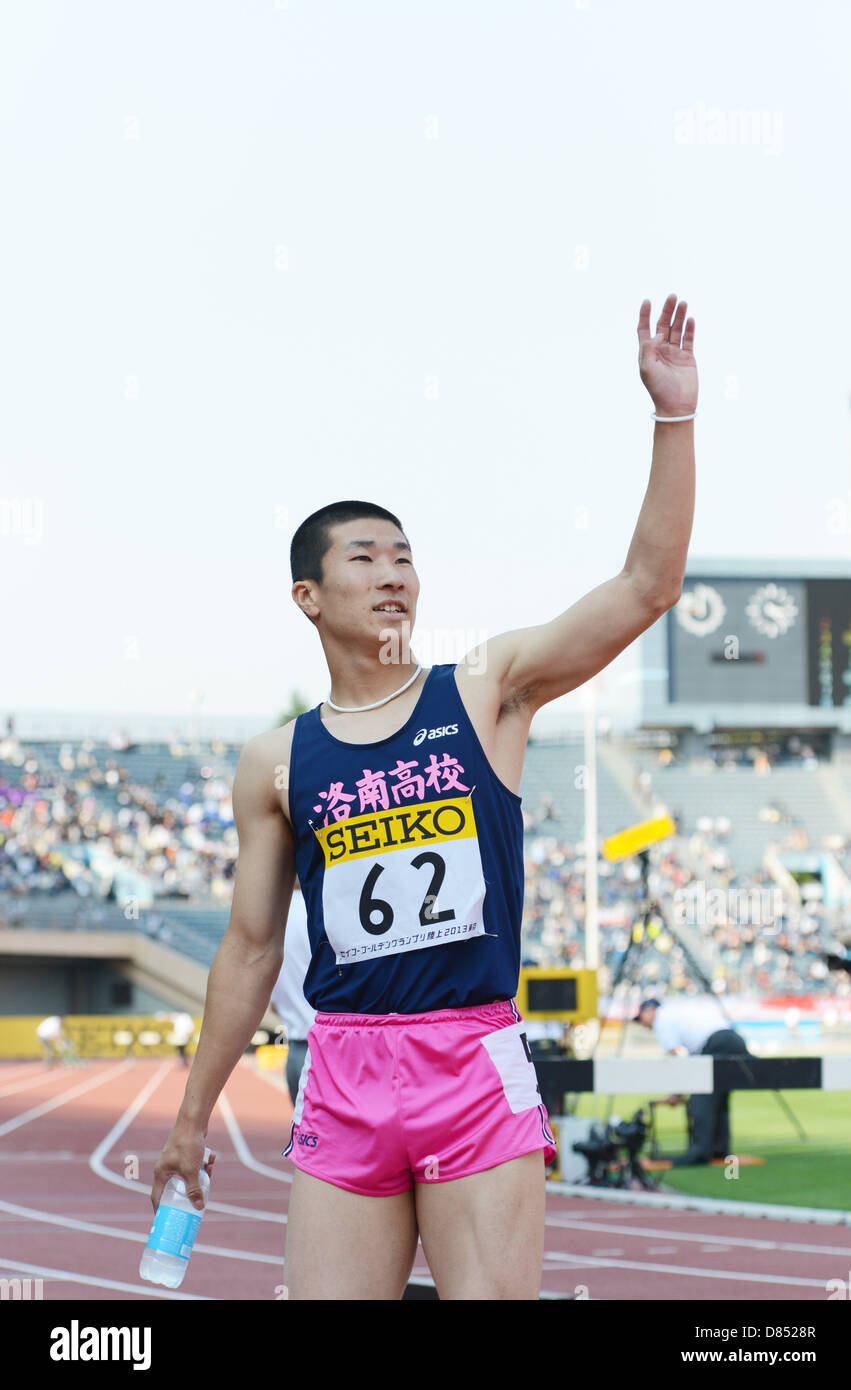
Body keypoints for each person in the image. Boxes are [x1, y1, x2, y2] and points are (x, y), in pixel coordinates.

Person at [150, 293, 698, 1299]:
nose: (393, 574)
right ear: (307, 596)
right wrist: (191, 1118)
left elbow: (643, 587)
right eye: (363, 558)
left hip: (468, 1056)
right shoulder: (275, 761)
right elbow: (250, 949)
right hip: (342, 1067)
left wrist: (671, 418)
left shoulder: (483, 688)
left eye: (404, 555)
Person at [635, 993, 750, 1166]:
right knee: (719, 1098)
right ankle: (719, 1149)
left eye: (641, 1018)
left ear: (650, 1010)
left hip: (717, 1042)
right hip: (733, 1039)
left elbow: (675, 1059)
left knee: (701, 1098)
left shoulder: (662, 1020)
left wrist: (676, 1093)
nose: (643, 1024)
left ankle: (699, 1153)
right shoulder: (677, 1012)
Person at [269, 880, 316, 1105]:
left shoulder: (272, 916)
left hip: (296, 1050)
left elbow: (273, 1004)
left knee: (302, 1135)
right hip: (329, 1045)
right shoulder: (318, 907)